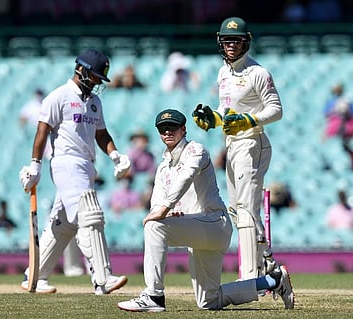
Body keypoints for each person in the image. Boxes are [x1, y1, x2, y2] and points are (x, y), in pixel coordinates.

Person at [117, 109, 294, 312]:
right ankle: (273, 280)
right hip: (196, 230)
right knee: (209, 301)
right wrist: (163, 210)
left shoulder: (196, 150)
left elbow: (186, 177)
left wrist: (166, 208)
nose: (167, 132)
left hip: (214, 224)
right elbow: (156, 203)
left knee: (154, 226)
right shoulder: (163, 168)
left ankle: (154, 295)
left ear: (183, 129)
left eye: (172, 127)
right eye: (163, 129)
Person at [18, 49, 130, 294]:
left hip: (87, 164)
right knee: (90, 215)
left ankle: (34, 277)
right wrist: (35, 165)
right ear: (82, 70)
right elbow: (42, 131)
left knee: (64, 224)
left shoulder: (94, 102)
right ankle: (103, 278)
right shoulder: (59, 96)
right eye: (96, 76)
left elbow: (101, 134)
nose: (99, 81)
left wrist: (115, 155)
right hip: (66, 162)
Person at [191, 17, 282, 280]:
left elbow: (276, 110)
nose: (231, 45)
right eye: (227, 39)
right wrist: (213, 118)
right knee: (235, 208)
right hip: (232, 145)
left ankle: (250, 275)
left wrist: (249, 120)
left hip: (253, 143)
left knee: (245, 208)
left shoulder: (258, 73)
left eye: (236, 40)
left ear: (246, 41)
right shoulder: (223, 72)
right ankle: (267, 263)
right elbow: (226, 111)